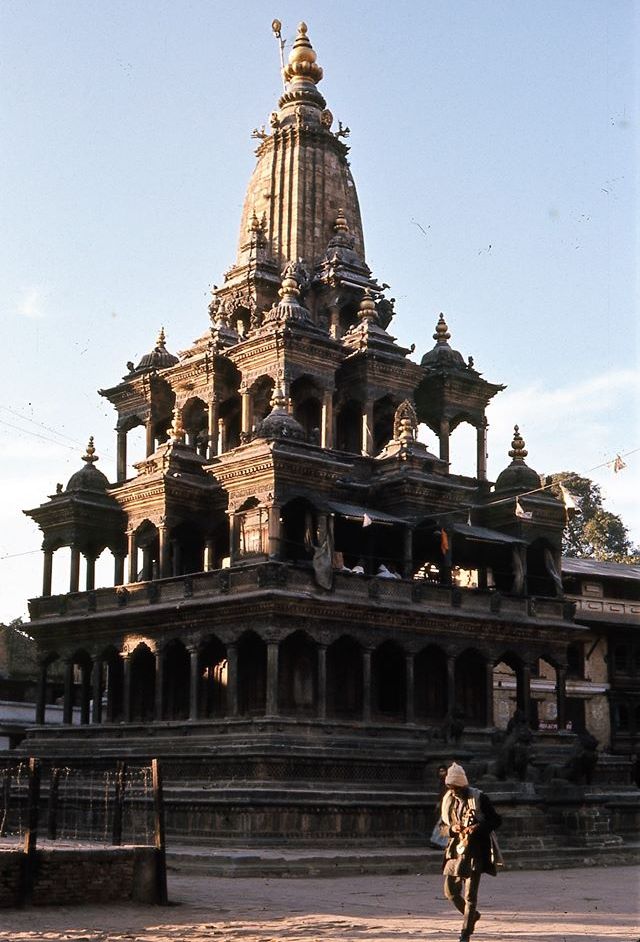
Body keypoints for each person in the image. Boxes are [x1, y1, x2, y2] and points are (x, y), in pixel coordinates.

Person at [441, 762, 502, 942]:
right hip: (455, 850)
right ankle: (472, 916)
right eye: (450, 788)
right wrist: (454, 828)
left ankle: (465, 933)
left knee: (470, 895)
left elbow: (496, 821)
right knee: (450, 891)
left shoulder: (479, 798)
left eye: (456, 789)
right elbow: (442, 828)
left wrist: (475, 828)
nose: (453, 792)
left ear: (463, 786)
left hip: (475, 850)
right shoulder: (448, 801)